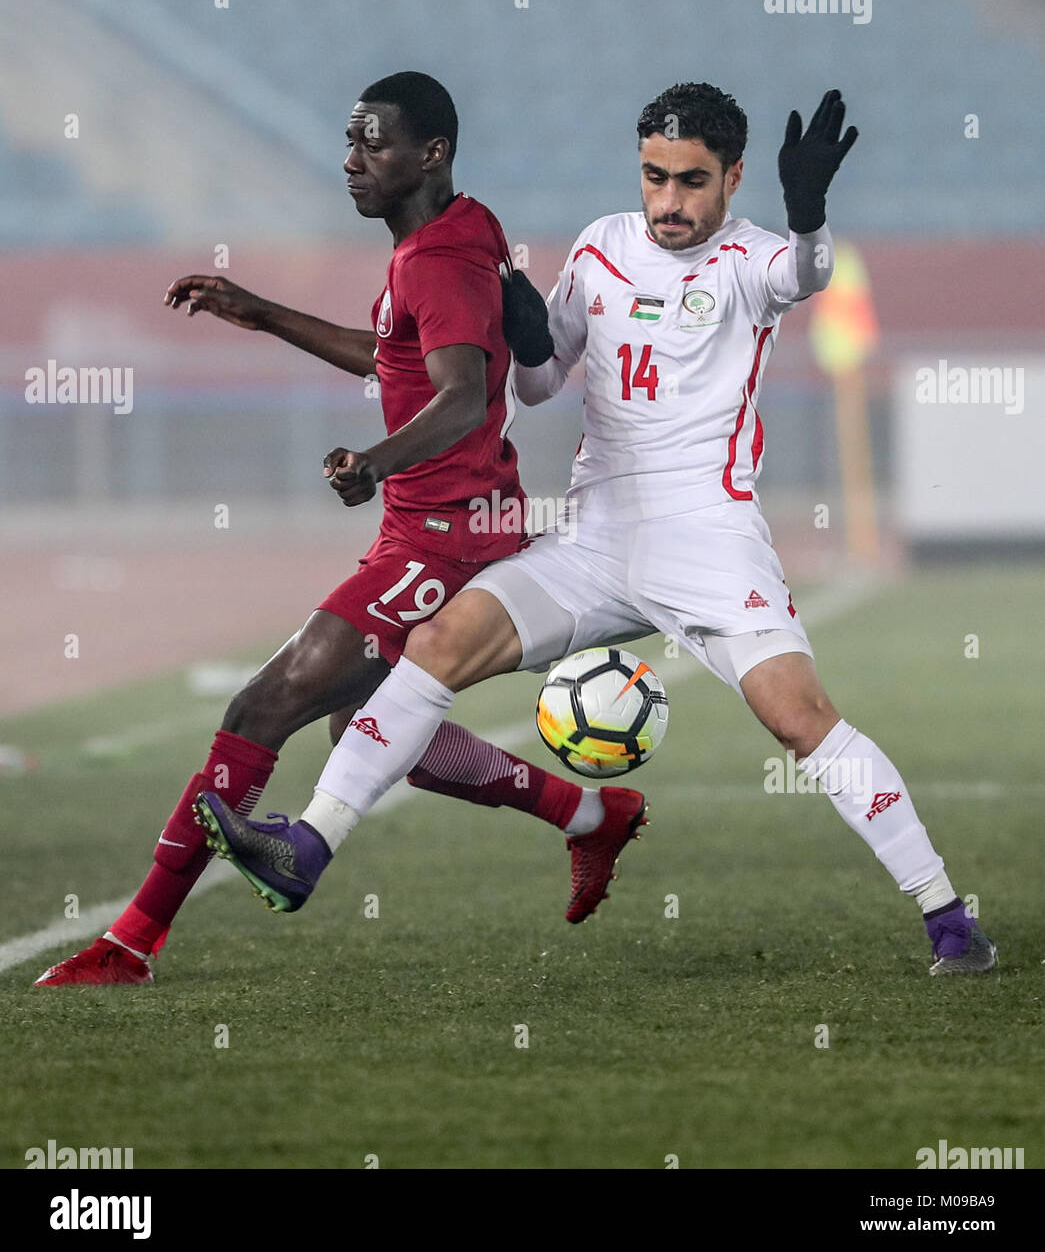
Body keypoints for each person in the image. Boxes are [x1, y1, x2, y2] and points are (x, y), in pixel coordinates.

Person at [199, 84, 996, 977]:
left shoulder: (753, 259)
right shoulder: (602, 246)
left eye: (692, 182)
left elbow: (803, 279)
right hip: (595, 536)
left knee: (799, 720)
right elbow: (538, 387)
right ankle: (308, 847)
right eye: (654, 177)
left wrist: (808, 218)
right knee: (436, 643)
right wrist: (531, 335)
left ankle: (946, 917)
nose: (669, 202)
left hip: (706, 535)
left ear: (732, 178)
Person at [35, 72, 642, 987]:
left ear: (430, 153)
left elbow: (462, 394)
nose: (351, 162)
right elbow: (404, 354)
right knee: (371, 726)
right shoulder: (459, 229)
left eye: (373, 145)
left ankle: (130, 941)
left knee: (262, 708)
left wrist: (374, 461)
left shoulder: (435, 258)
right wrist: (262, 313)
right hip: (444, 521)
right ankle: (595, 817)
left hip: (443, 537)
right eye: (350, 142)